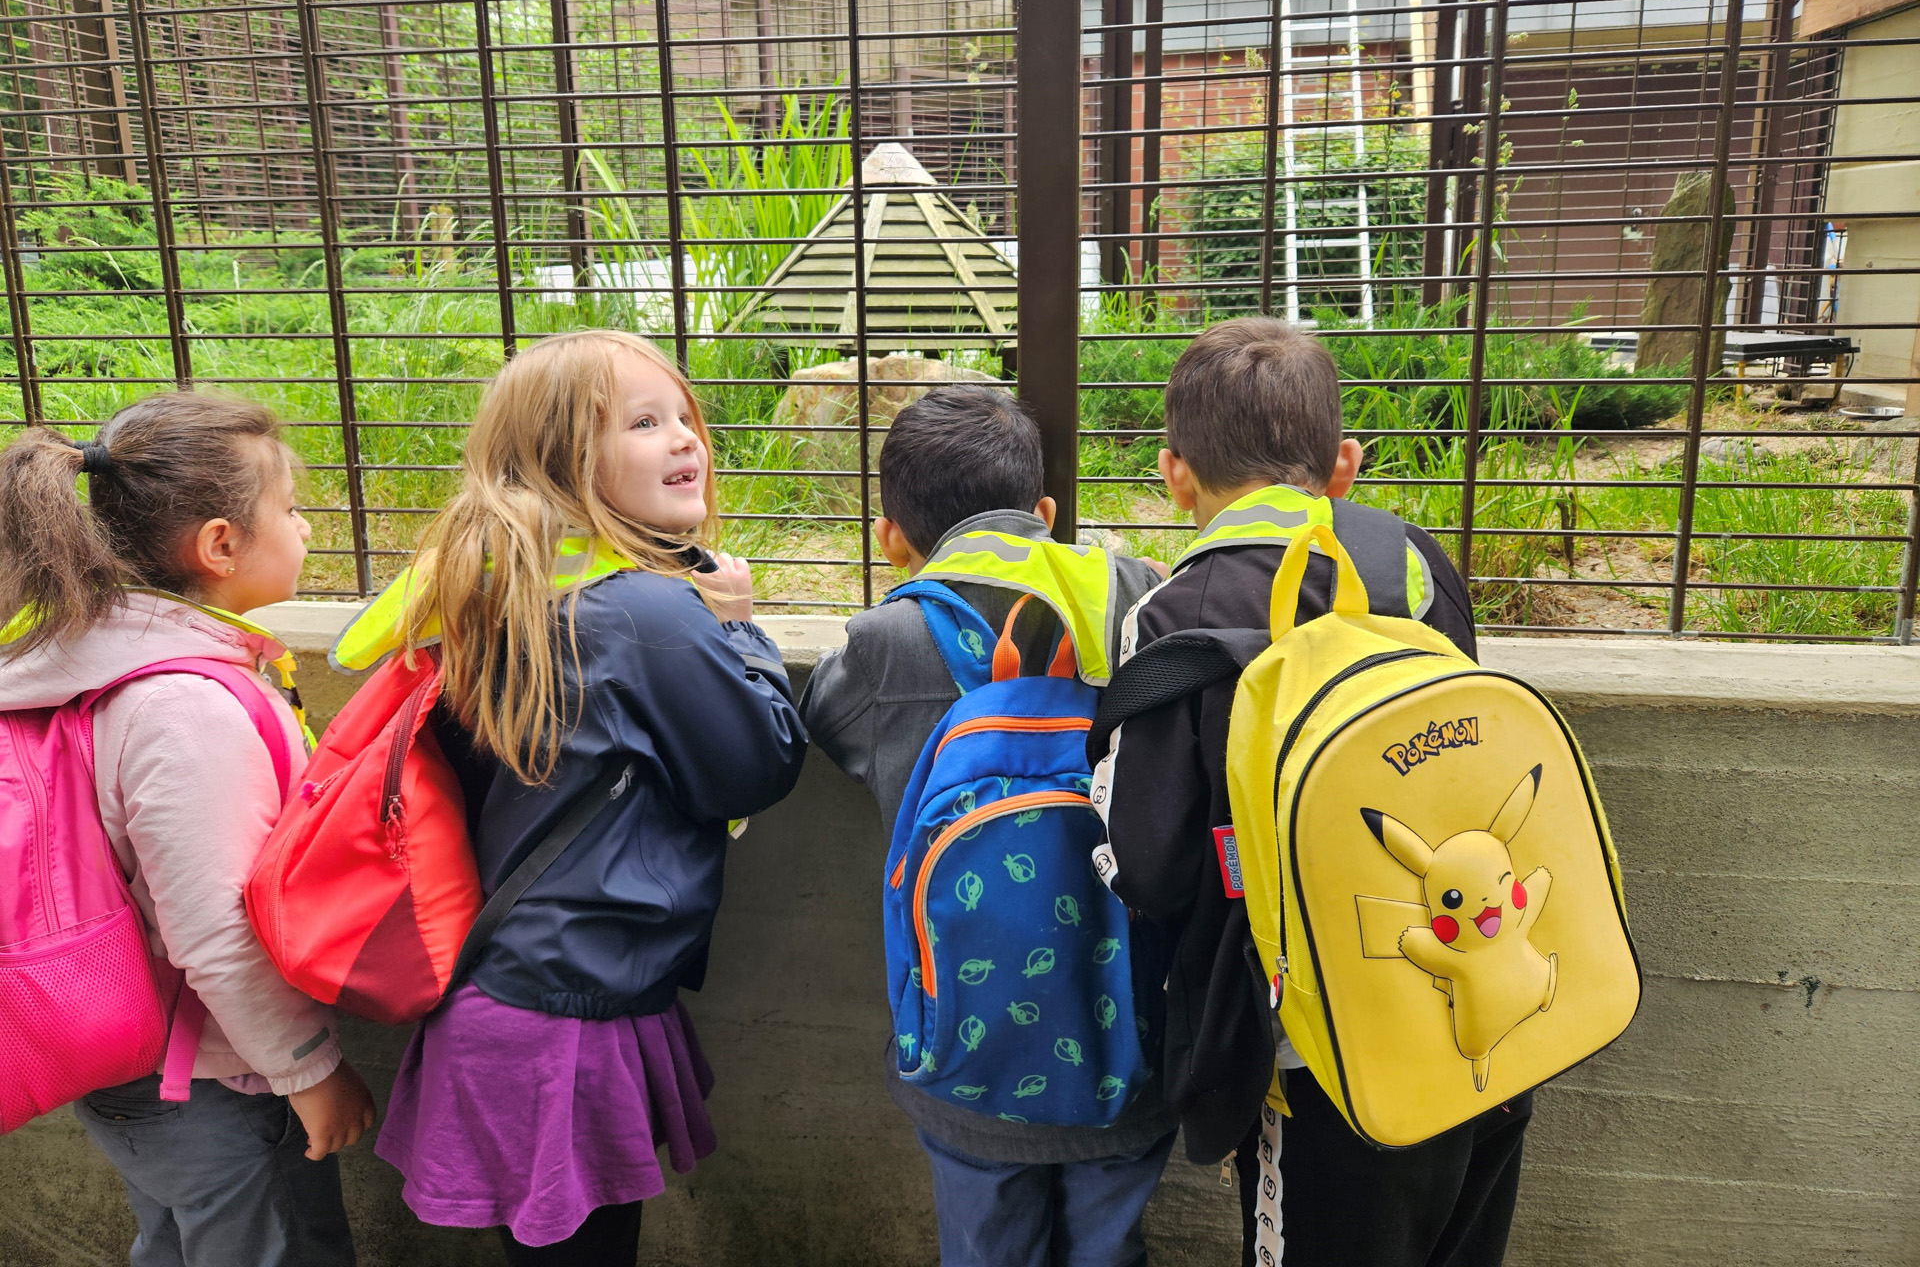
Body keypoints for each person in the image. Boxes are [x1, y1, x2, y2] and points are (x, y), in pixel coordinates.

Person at [368, 330, 808, 1266]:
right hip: (566, 1013)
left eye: (683, 415)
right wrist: (740, 630)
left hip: (509, 991)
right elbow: (758, 762)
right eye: (645, 423)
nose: (686, 438)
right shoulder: (644, 612)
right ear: (563, 461)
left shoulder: (498, 588)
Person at [1093, 319, 1527, 1267]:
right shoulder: (1411, 563)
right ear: (1344, 464)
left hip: (1319, 1052)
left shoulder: (1175, 614)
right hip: (1489, 1005)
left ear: (1175, 474)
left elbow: (1153, 866)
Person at [802, 385, 1179, 1267]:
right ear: (1045, 513)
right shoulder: (1141, 601)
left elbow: (822, 721)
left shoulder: (888, 642)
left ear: (892, 536)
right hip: (1133, 1033)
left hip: (968, 1054)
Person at [0, 392, 375, 1267]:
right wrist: (310, 1071)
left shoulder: (87, 655)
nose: (308, 527)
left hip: (134, 1070)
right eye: (289, 509)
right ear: (219, 544)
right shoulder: (182, 707)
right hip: (212, 1080)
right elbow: (215, 930)